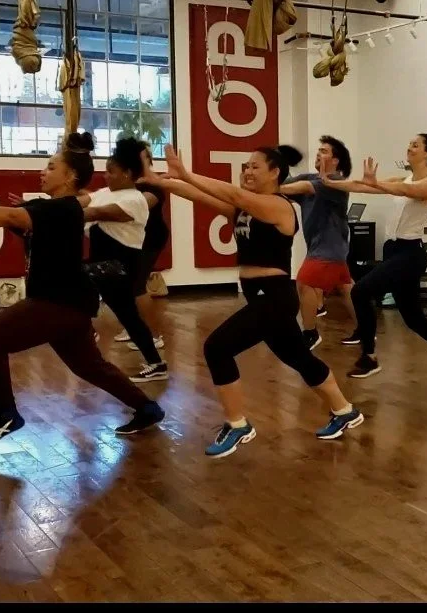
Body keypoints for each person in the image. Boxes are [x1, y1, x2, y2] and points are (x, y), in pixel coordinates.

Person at [0, 132, 165, 445]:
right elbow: (11, 217)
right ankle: (147, 408)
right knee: (90, 366)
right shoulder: (51, 208)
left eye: (51, 167)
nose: (43, 172)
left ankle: (6, 414)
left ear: (70, 175)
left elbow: (7, 215)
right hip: (67, 301)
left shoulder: (63, 209)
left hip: (59, 302)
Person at [141, 144, 362, 458]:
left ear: (275, 173)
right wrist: (163, 181)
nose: (246, 171)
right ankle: (344, 410)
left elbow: (233, 195)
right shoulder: (244, 209)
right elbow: (198, 196)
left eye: (254, 167)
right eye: (244, 167)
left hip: (275, 297)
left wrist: (187, 173)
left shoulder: (279, 206)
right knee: (299, 358)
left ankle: (237, 423)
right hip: (262, 298)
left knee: (216, 348)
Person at [323, 134, 427, 379]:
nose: (409, 147)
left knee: (360, 291)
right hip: (393, 251)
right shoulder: (404, 178)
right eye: (409, 144)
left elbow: (404, 189)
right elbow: (363, 186)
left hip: (410, 254)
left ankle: (369, 357)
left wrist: (376, 183)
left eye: (415, 145)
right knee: (414, 319)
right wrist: (330, 183)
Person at [82, 137, 168, 383]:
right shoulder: (106, 192)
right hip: (107, 264)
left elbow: (97, 211)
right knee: (129, 316)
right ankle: (157, 363)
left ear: (128, 173)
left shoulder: (137, 197)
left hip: (120, 265)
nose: (106, 176)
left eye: (111, 172)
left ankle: (85, 333)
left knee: (73, 277)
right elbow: (85, 202)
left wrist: (63, 213)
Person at [280, 135, 358, 350]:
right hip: (321, 246)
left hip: (330, 248)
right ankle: (365, 328)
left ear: (336, 161)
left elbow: (299, 187)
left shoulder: (338, 182)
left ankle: (310, 333)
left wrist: (273, 187)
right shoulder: (311, 178)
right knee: (345, 287)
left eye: (324, 151)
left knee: (304, 282)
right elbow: (285, 184)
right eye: (318, 150)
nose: (318, 154)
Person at [116, 144, 168, 353]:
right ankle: (134, 328)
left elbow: (138, 206)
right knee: (127, 287)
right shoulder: (131, 181)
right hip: (135, 239)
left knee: (137, 287)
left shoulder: (154, 185)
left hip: (152, 239)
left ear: (147, 158)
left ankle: (155, 336)